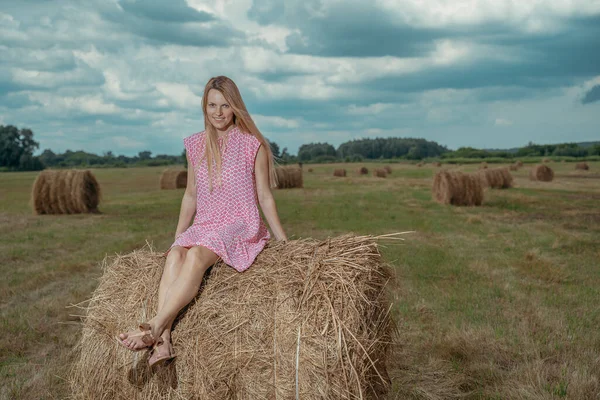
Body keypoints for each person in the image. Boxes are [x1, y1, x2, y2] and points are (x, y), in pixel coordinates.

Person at [116, 76, 287, 367]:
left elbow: (264, 196)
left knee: (196, 254)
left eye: (225, 105)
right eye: (212, 105)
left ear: (235, 108)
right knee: (176, 255)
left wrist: (284, 243)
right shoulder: (195, 145)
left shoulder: (252, 144)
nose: (218, 112)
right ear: (204, 107)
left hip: (239, 223)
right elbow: (190, 196)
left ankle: (155, 327)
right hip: (207, 222)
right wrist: (177, 238)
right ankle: (164, 342)